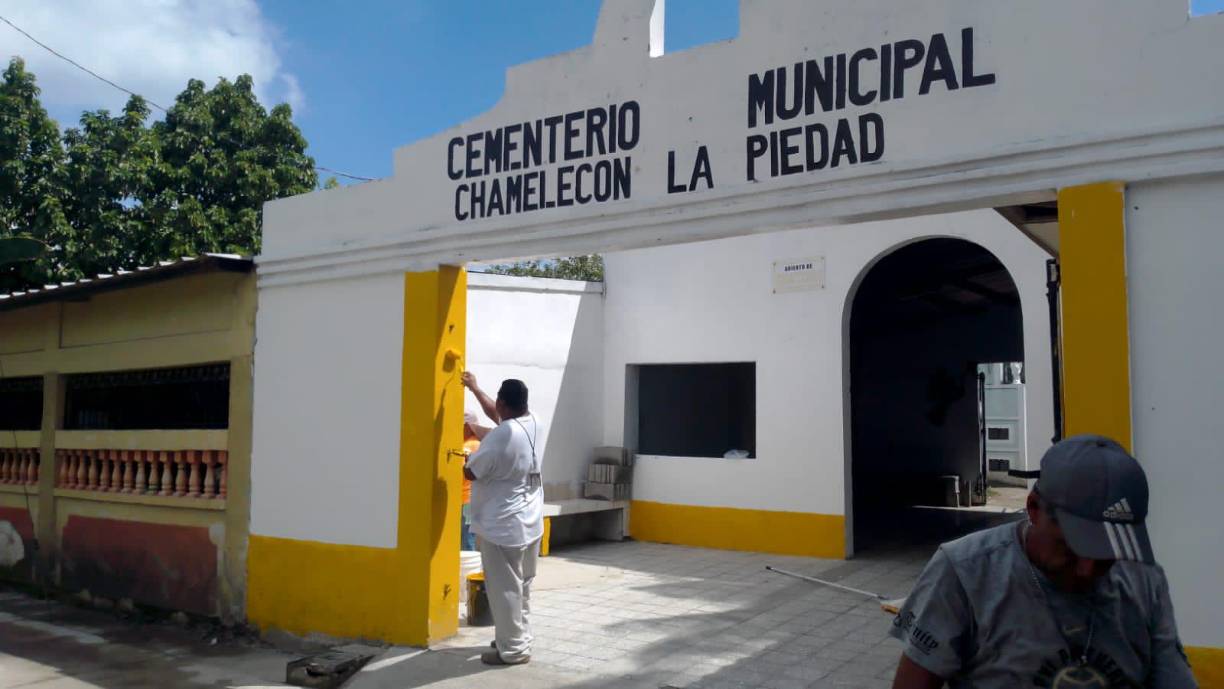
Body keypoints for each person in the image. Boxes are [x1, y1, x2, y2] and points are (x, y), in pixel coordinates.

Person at [890, 435, 1197, 688]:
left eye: (1106, 554)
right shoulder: (964, 571)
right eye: (1073, 548)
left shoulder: (1145, 580)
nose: (1087, 570)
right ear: (1034, 508)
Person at [461, 372, 543, 666]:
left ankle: (514, 650)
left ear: (502, 403)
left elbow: (471, 472)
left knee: (504, 590)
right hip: (530, 522)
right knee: (521, 587)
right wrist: (475, 389)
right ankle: (516, 637)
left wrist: (465, 458)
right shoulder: (533, 421)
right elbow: (498, 419)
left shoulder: (501, 435)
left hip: (503, 527)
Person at [459, 411, 483, 551]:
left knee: (467, 539)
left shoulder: (469, 445)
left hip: (466, 501)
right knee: (468, 536)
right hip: (471, 500)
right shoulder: (478, 443)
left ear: (468, 427)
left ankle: (467, 564)